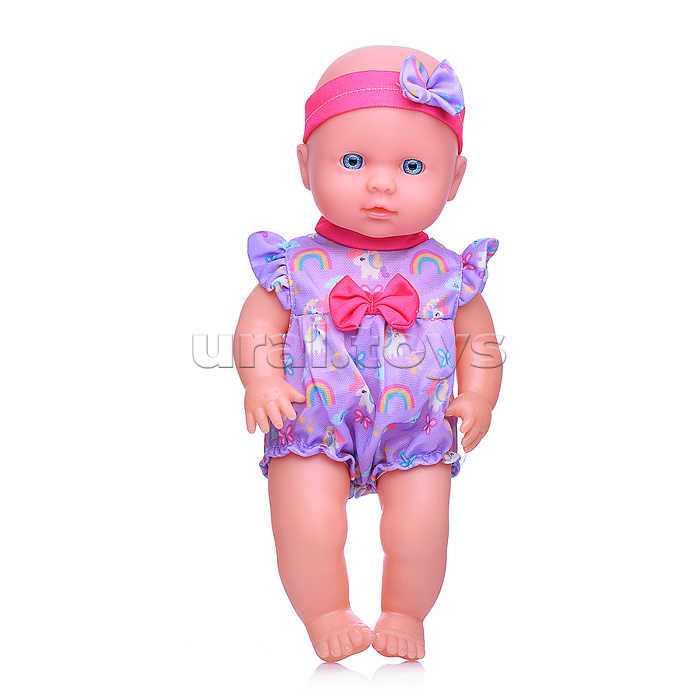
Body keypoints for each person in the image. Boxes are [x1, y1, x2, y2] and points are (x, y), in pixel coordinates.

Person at [234, 45, 502, 662]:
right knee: (307, 523)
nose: (381, 183)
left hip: (419, 426)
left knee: (420, 530)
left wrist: (479, 395)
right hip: (310, 419)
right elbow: (257, 325)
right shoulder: (292, 264)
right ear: (306, 165)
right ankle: (326, 610)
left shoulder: (449, 272)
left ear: (454, 179)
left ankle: (406, 611)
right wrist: (261, 380)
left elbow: (480, 342)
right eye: (352, 161)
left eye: (413, 166)